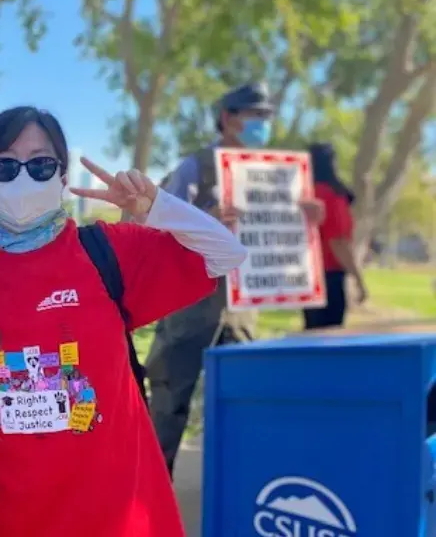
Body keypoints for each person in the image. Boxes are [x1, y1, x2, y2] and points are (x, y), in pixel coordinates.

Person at [0, 106, 247, 537]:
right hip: (11, 517)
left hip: (117, 516)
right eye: (4, 164)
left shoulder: (108, 252)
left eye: (40, 164)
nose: (22, 178)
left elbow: (225, 254)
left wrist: (156, 208)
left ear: (61, 176)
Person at [147, 82, 325, 475]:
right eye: (254, 115)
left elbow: (280, 241)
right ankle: (149, 504)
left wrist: (306, 221)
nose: (262, 124)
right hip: (190, 310)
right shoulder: (195, 167)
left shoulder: (277, 177)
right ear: (227, 118)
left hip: (243, 314)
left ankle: (236, 496)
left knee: (242, 407)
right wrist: (204, 222)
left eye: (266, 117)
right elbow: (155, 230)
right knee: (168, 406)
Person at [303, 142, 367, 329]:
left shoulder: (306, 196)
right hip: (330, 277)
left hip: (308, 277)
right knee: (330, 335)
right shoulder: (332, 196)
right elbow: (338, 242)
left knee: (311, 334)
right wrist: (358, 278)